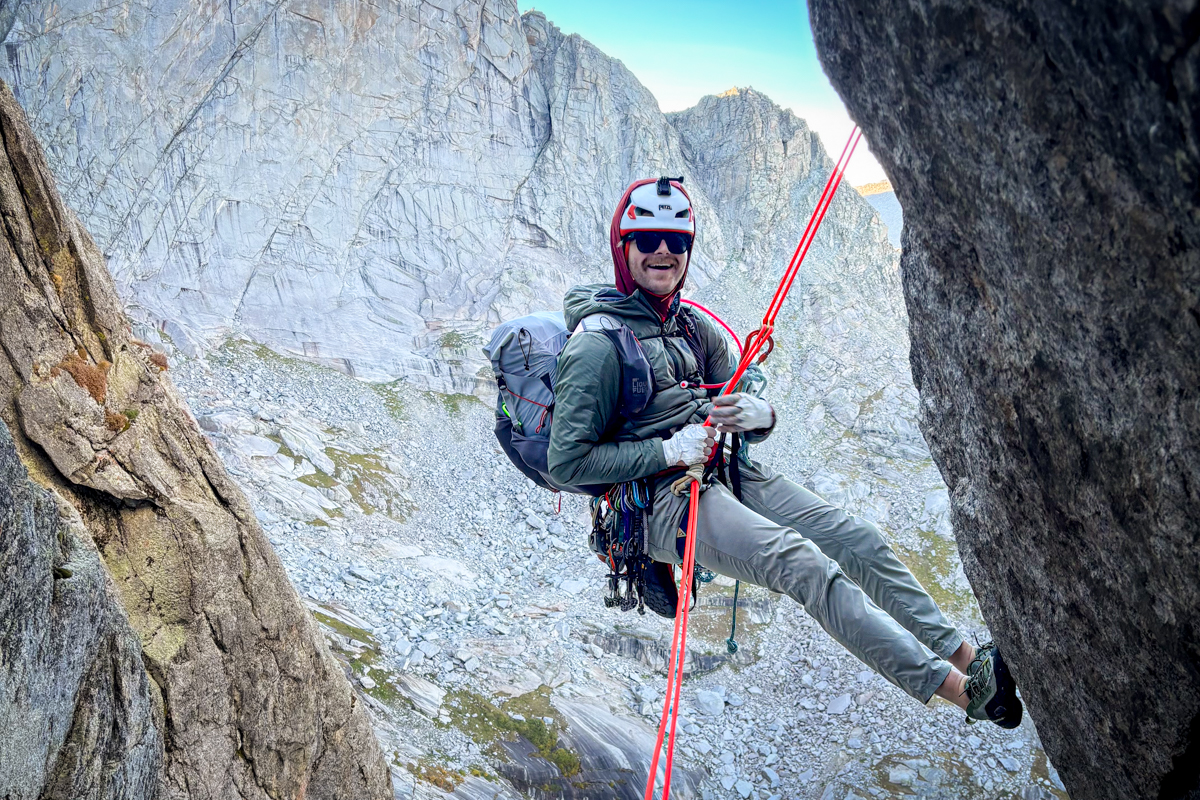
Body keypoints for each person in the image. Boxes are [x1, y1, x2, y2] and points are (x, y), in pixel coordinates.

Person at [547, 176, 1022, 728]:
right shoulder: (597, 344)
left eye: (676, 241)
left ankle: (967, 654)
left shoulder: (692, 327)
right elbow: (567, 465)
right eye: (647, 237)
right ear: (623, 247)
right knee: (805, 564)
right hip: (659, 503)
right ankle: (969, 695)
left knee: (854, 537)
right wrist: (667, 450)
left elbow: (742, 389)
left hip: (719, 472)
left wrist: (759, 416)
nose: (662, 251)